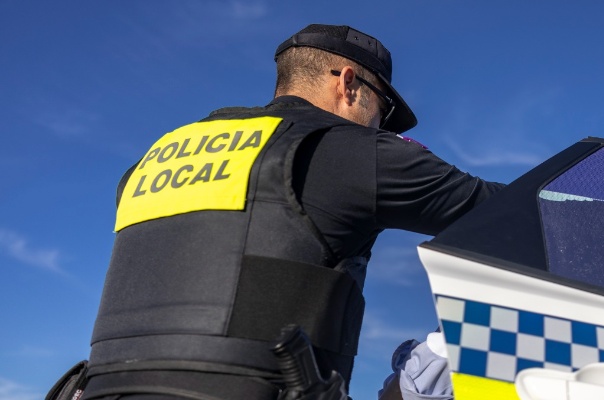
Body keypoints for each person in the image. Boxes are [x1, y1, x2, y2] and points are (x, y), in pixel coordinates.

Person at [73, 24, 505, 399]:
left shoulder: (153, 160)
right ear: (349, 84)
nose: (381, 127)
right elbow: (515, 214)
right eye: (384, 110)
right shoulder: (353, 152)